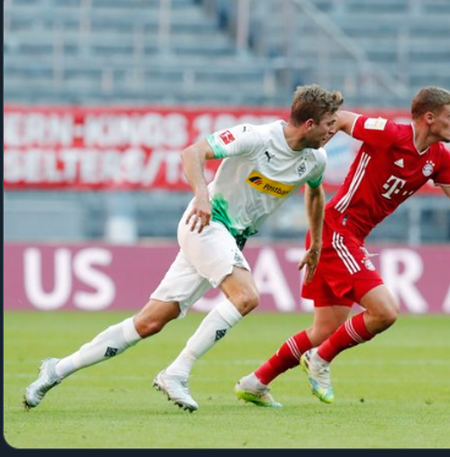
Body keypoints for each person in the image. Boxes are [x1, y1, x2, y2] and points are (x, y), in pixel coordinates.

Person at [23, 84, 344, 412]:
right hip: (206, 224)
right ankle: (177, 372)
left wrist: (316, 242)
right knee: (246, 296)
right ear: (308, 124)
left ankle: (56, 369)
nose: (333, 130)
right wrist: (202, 196)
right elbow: (192, 152)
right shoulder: (256, 137)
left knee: (149, 322)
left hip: (229, 238)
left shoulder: (315, 160)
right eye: (329, 123)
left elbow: (315, 194)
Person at [234, 86, 450, 407]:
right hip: (337, 229)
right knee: (385, 311)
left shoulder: (438, 159)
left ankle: (256, 382)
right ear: (429, 118)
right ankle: (320, 360)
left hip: (346, 237)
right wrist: (306, 156)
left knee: (325, 329)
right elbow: (341, 120)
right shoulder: (390, 134)